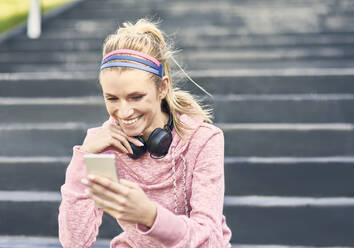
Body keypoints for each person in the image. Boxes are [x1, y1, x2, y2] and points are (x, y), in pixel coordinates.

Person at [58, 18, 232, 248]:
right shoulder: (103, 144)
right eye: (112, 98)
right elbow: (75, 242)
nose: (124, 111)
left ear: (162, 87)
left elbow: (210, 240)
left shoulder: (203, 139)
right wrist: (84, 157)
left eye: (136, 97)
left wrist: (150, 216)